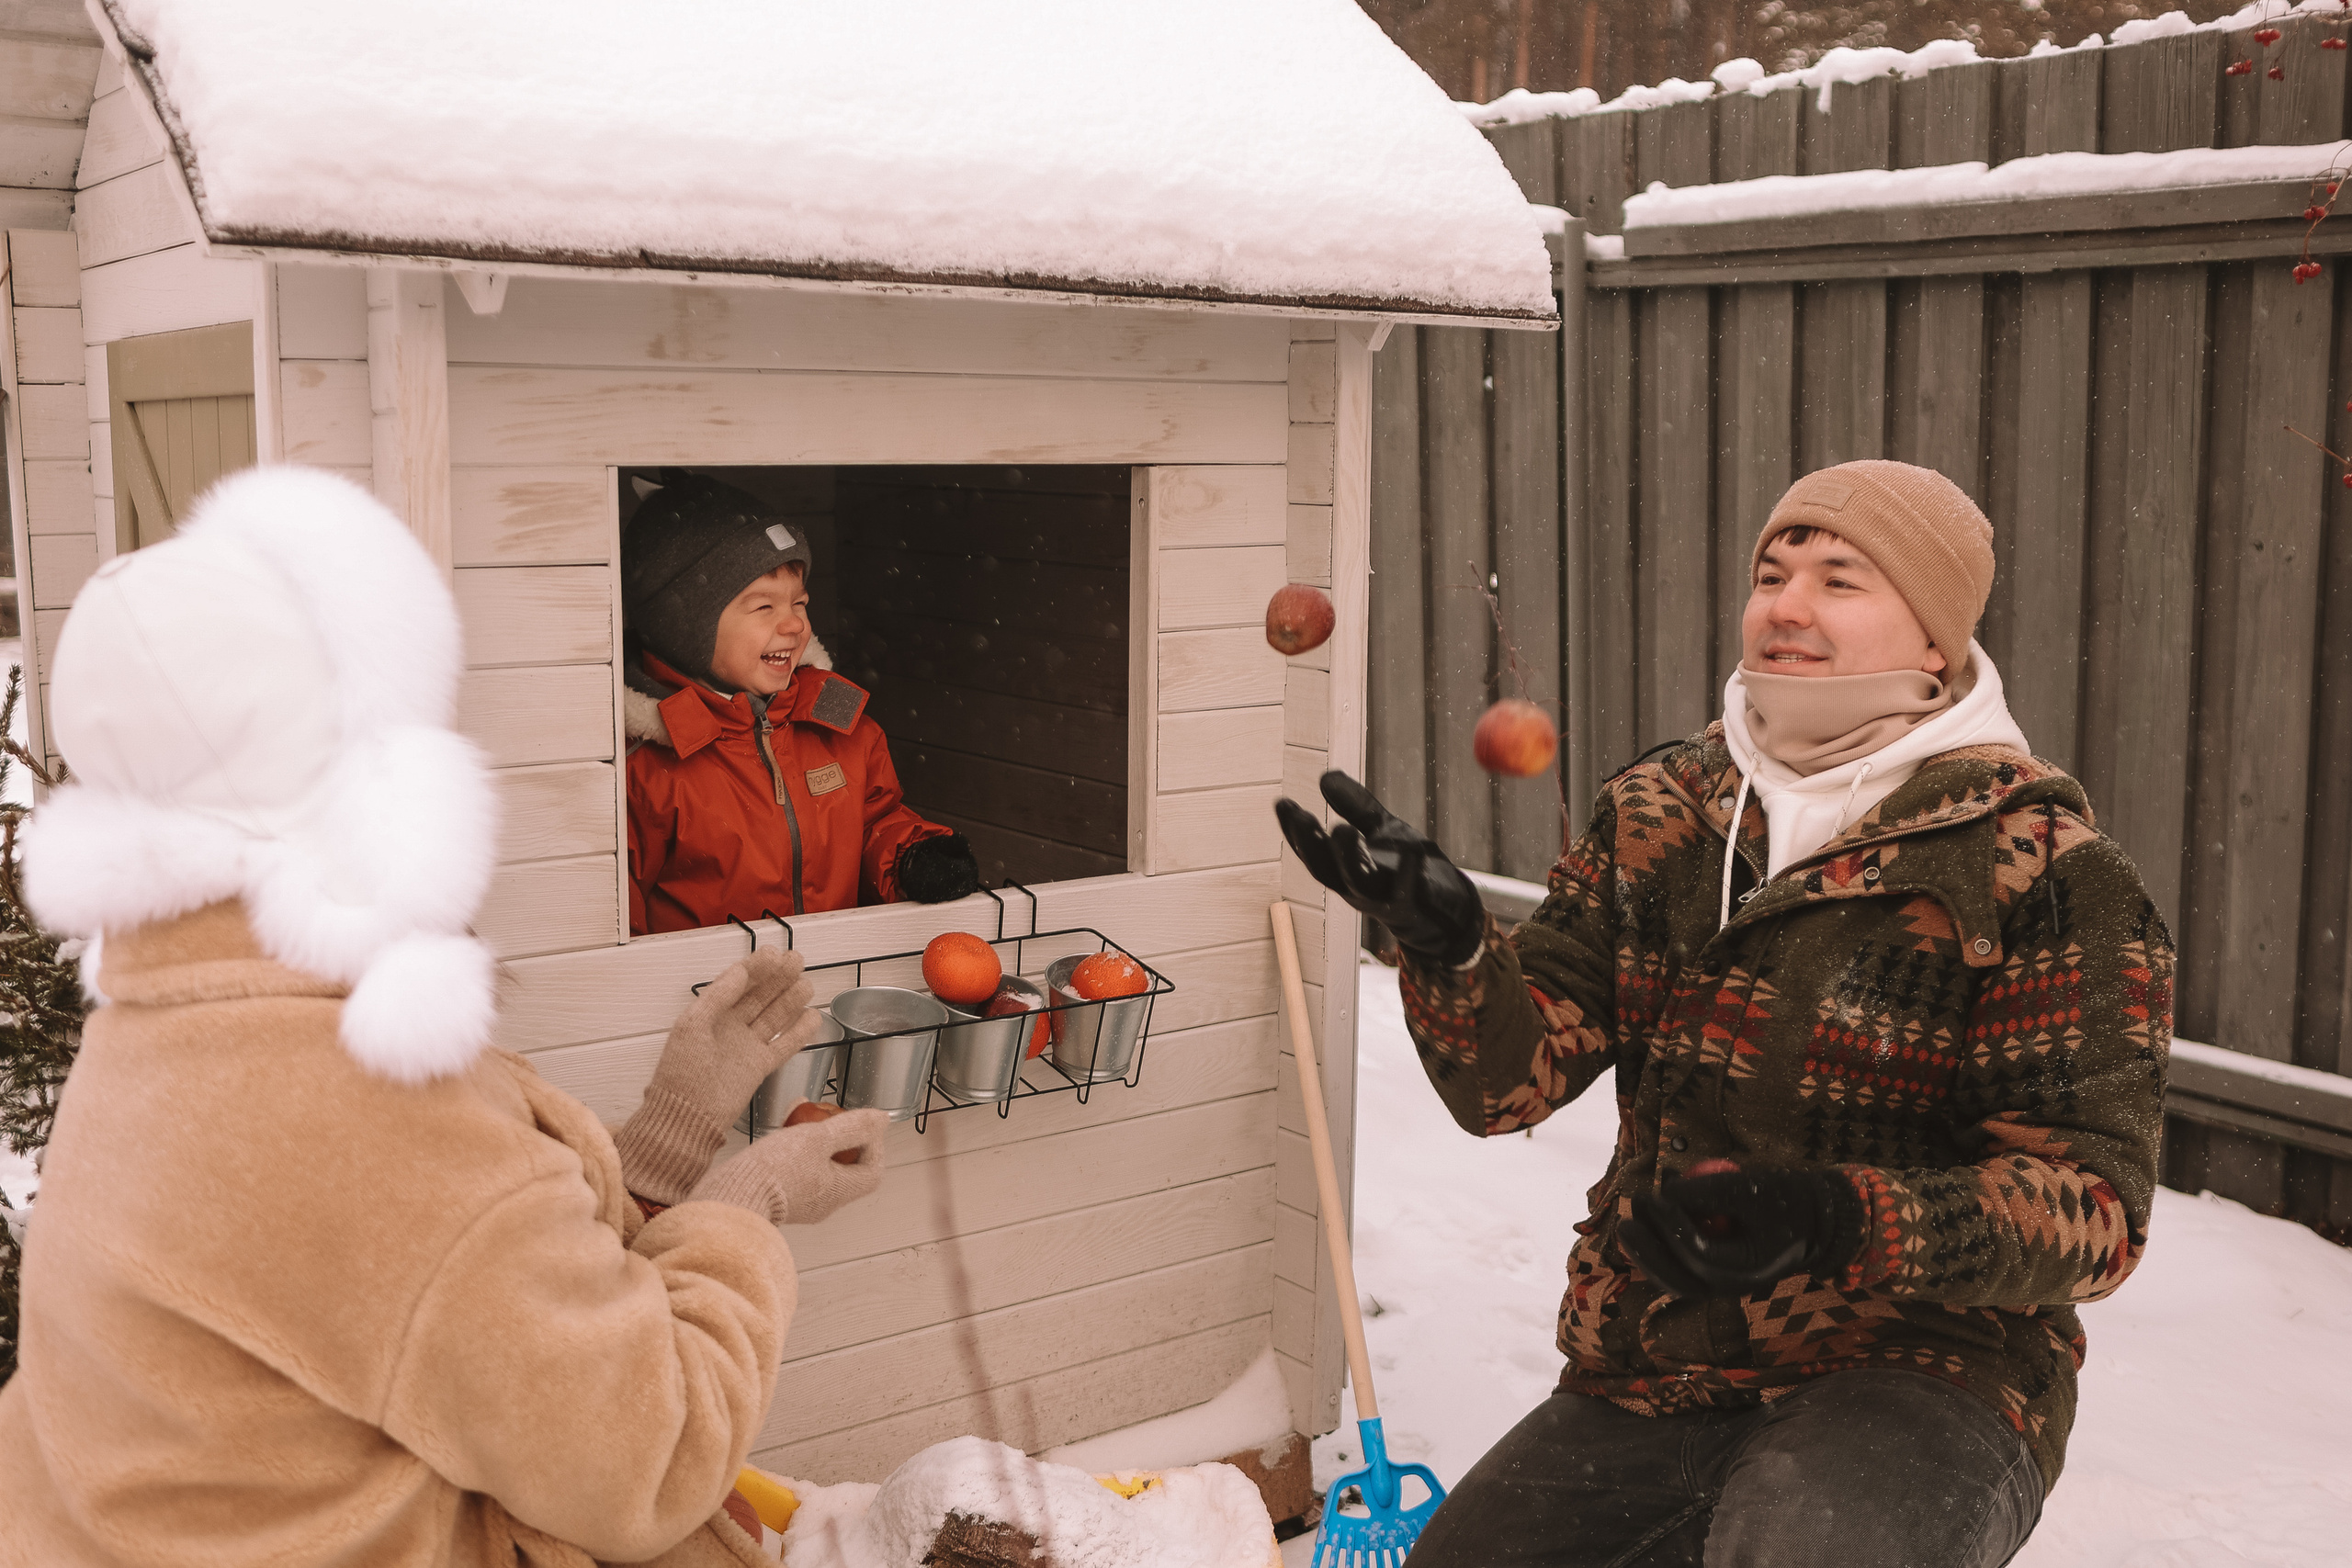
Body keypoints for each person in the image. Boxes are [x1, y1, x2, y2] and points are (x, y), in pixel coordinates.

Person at [1278, 460, 2172, 1567]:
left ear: (1934, 638)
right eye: (1771, 571)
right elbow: (1505, 1086)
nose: (1786, 605)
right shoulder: (1663, 814)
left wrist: (1836, 1218)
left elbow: (2091, 1212)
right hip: (1655, 1366)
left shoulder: (2039, 866)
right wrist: (1451, 950)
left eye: (1840, 580)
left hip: (1926, 1371)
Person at [0, 468, 887, 1567]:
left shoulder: (184, 1023)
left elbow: (449, 1291)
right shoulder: (353, 1090)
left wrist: (673, 1129)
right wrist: (747, 1203)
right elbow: (650, 1459)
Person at [622, 473, 978, 933]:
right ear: (684, 628)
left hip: (834, 984)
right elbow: (618, 920)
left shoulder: (834, 724)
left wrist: (910, 858)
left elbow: (871, 824)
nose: (794, 625)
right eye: (764, 608)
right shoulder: (644, 767)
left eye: (800, 602)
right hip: (714, 999)